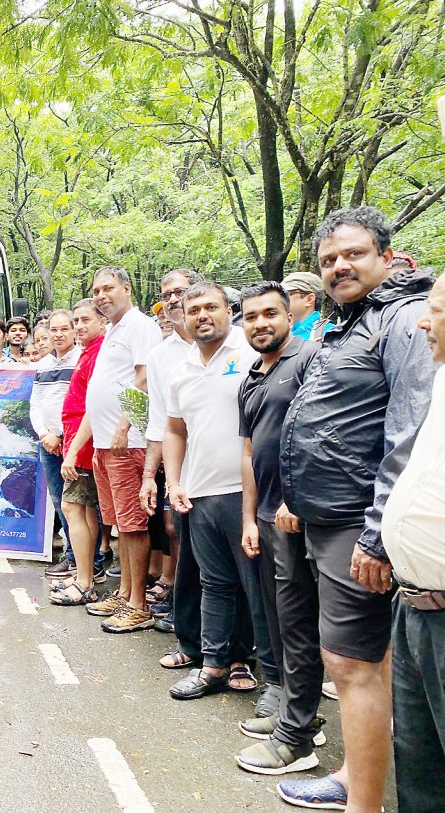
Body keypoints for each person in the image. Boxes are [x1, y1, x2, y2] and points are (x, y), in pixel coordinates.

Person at [277, 207, 435, 813]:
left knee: (350, 664)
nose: (339, 266)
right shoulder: (348, 322)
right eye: (328, 260)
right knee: (362, 659)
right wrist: (296, 495)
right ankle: (353, 776)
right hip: (326, 517)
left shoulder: (403, 319)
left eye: (353, 254)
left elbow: (408, 432)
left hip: (357, 521)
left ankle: (363, 804)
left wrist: (376, 534)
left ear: (386, 258)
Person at [164, 282, 277, 701]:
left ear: (229, 311)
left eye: (210, 307)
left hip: (248, 493)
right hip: (199, 492)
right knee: (213, 584)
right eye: (193, 310)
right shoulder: (182, 369)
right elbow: (175, 430)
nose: (202, 316)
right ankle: (212, 665)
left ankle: (267, 675)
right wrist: (174, 482)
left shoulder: (250, 354)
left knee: (258, 589)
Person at [233, 281, 323, 776]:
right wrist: (249, 517)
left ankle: (300, 733)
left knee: (298, 622)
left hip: (297, 516)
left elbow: (319, 433)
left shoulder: (309, 359)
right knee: (279, 620)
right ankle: (294, 710)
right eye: (251, 316)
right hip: (265, 517)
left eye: (270, 313)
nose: (260, 323)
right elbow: (249, 452)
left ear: (290, 316)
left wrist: (297, 497)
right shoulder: (251, 376)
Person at [64, 268, 161, 632]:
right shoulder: (112, 332)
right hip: (104, 446)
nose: (102, 295)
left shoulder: (140, 326)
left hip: (127, 444)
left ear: (126, 288)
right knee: (119, 524)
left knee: (133, 525)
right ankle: (124, 594)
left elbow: (145, 377)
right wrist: (86, 446)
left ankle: (138, 604)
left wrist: (123, 426)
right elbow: (99, 394)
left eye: (108, 288)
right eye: (96, 290)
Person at [382, 271, 445, 813]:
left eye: (437, 309)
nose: (423, 321)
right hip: (413, 605)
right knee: (419, 766)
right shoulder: (439, 377)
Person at [140, 269, 204, 653]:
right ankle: (191, 630)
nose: (174, 299)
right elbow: (160, 421)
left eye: (181, 291)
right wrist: (151, 476)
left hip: (230, 471)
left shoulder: (233, 342)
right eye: (167, 295)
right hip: (182, 470)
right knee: (180, 535)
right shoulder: (160, 356)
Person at [57, 299, 110, 605]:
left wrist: (73, 451)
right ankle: (84, 573)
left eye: (85, 320)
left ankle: (84, 582)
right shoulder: (88, 352)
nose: (79, 326)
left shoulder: (98, 354)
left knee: (72, 508)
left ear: (103, 322)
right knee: (86, 511)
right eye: (75, 320)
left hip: (83, 446)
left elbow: (94, 405)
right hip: (79, 443)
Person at [31, 310, 80, 577]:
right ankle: (71, 556)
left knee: (81, 504)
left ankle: (89, 561)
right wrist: (44, 434)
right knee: (60, 500)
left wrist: (60, 434)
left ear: (73, 331)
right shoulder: (43, 364)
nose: (58, 334)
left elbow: (79, 404)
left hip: (73, 442)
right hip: (47, 443)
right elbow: (35, 404)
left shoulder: (81, 360)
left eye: (64, 329)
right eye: (54, 329)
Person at [281, 272, 333, 340]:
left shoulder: (330, 334)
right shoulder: (279, 334)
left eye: (285, 295)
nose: (279, 300)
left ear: (309, 299)